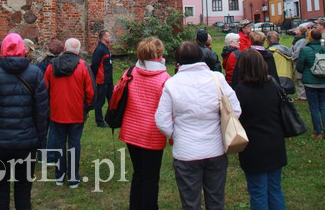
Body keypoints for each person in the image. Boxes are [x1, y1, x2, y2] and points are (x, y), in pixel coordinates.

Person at [155, 41, 241, 210]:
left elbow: (162, 121)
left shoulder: (172, 84)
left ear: (178, 60)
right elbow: (235, 109)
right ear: (201, 56)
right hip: (215, 148)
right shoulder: (217, 79)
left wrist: (177, 135)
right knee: (216, 201)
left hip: (186, 152)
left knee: (190, 203)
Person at [0, 33, 48, 210]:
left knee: (0, 193)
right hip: (26, 143)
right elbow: (42, 112)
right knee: (23, 192)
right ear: (23, 50)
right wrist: (39, 141)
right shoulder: (35, 73)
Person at [119, 37, 170, 210]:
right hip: (152, 134)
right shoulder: (164, 78)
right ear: (159, 53)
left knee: (138, 173)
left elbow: (117, 94)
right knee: (151, 178)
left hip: (131, 131)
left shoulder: (130, 72)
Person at [234, 48, 287, 210]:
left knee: (258, 191)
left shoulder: (240, 91)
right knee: (275, 188)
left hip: (254, 146)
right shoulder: (273, 85)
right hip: (275, 142)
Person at [44, 38, 95, 188]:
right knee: (74, 144)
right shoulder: (83, 66)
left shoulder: (51, 66)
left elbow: (44, 89)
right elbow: (90, 92)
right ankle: (73, 178)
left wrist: (49, 105)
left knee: (59, 143)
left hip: (57, 112)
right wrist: (87, 108)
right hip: (76, 113)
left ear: (64, 49)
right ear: (78, 50)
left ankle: (59, 176)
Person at [36, 38, 64, 163]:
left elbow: (37, 80)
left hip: (42, 98)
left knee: (42, 127)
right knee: (54, 128)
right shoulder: (62, 63)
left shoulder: (40, 62)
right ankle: (51, 155)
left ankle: (41, 155)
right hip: (55, 98)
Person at [296, 28, 325, 139]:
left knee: (314, 106)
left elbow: (300, 67)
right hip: (323, 81)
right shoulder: (323, 49)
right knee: (323, 105)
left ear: (310, 37)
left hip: (310, 82)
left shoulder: (305, 50)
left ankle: (317, 131)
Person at [91, 30, 113, 127]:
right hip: (102, 79)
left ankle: (111, 119)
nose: (110, 37)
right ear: (104, 37)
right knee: (100, 101)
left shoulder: (106, 48)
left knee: (112, 99)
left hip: (109, 79)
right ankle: (99, 122)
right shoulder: (99, 49)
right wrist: (96, 76)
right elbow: (95, 65)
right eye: (108, 36)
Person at [291, 25, 307, 100]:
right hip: (295, 61)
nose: (295, 30)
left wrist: (292, 57)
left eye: (297, 29)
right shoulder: (296, 39)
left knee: (300, 78)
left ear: (300, 31)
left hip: (299, 61)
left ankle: (303, 96)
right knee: (297, 78)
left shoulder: (302, 41)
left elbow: (298, 52)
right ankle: (300, 95)